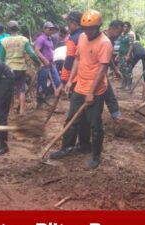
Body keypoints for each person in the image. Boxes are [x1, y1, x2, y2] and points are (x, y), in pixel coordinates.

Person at [52, 9, 113, 169]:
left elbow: (102, 70)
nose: (88, 31)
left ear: (99, 26)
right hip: (79, 87)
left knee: (95, 124)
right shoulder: (82, 37)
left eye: (91, 28)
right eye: (85, 28)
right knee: (72, 119)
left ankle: (95, 156)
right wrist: (70, 81)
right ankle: (67, 147)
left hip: (96, 90)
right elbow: (78, 60)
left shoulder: (105, 43)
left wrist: (91, 92)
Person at [0, 20, 41, 115]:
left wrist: (0, 69)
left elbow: (1, 58)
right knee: (21, 89)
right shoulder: (23, 39)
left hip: (8, 68)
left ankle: (11, 110)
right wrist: (37, 62)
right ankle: (22, 110)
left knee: (10, 90)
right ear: (17, 29)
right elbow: (32, 54)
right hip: (21, 68)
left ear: (8, 30)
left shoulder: (4, 41)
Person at [34, 21, 61, 106]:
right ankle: (40, 101)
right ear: (44, 29)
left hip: (51, 64)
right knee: (42, 83)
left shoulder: (49, 39)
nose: (51, 31)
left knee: (57, 82)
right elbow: (37, 51)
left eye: (52, 29)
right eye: (50, 29)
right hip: (44, 65)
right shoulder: (41, 39)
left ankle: (46, 96)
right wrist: (44, 60)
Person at [117, 22, 135, 90]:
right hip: (121, 54)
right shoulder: (122, 35)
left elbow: (131, 45)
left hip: (127, 55)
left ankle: (129, 86)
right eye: (124, 26)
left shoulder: (130, 35)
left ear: (129, 27)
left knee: (128, 70)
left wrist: (128, 55)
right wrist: (118, 55)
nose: (125, 28)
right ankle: (123, 84)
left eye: (127, 26)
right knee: (122, 70)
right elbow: (121, 45)